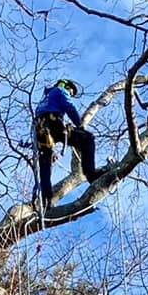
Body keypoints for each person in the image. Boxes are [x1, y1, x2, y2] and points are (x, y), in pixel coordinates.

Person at [33, 77, 99, 205]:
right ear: (67, 86)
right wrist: (79, 125)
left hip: (40, 130)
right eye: (71, 92)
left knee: (45, 161)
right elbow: (69, 106)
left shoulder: (44, 100)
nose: (71, 94)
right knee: (88, 139)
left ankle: (46, 198)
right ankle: (90, 173)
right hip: (53, 123)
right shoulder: (60, 90)